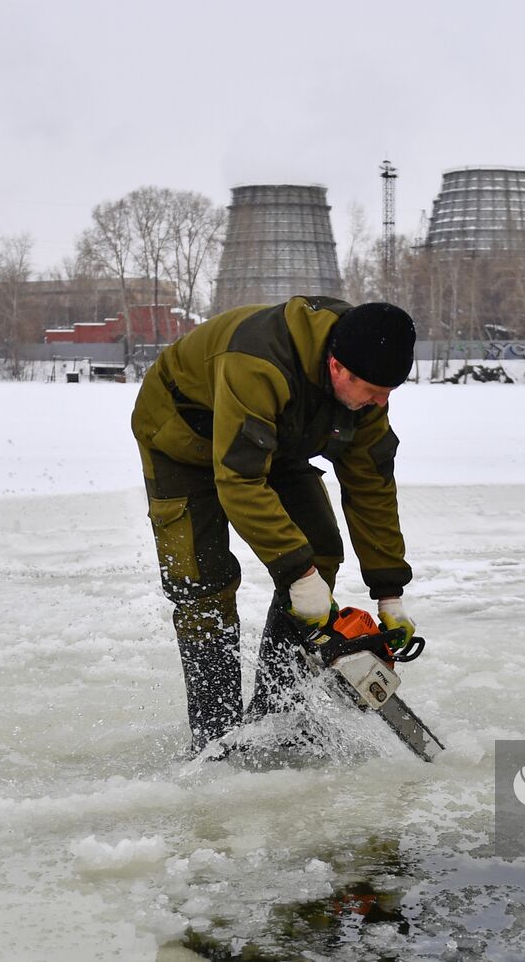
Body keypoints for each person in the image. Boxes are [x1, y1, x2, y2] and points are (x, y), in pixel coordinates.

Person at [130, 295, 420, 755]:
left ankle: (277, 717)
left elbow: (371, 483)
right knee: (201, 582)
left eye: (389, 392)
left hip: (273, 436)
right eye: (373, 390)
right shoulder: (257, 363)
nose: (381, 401)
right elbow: (240, 480)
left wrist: (389, 591)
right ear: (337, 368)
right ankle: (217, 737)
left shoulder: (368, 375)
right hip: (180, 438)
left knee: (319, 548)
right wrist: (296, 575)